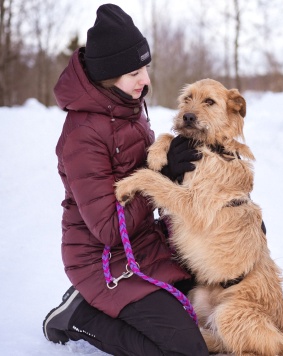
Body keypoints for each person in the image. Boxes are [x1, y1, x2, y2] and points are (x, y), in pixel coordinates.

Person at [42, 4, 208, 355]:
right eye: (134, 71)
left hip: (145, 243)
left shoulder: (126, 106)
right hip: (103, 260)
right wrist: (162, 177)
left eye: (145, 67)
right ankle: (80, 315)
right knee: (187, 350)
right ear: (107, 75)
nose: (145, 79)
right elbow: (108, 228)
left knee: (222, 287)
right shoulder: (82, 134)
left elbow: (145, 175)